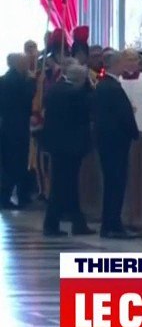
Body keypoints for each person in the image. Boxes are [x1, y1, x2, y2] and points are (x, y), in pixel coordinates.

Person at [40, 62, 94, 236]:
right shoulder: (76, 93)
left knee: (66, 185)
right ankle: (52, 224)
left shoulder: (55, 89)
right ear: (80, 78)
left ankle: (77, 222)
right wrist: (90, 88)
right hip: (71, 146)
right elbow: (87, 111)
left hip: (57, 144)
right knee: (63, 185)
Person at [93, 51, 140, 239]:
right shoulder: (112, 87)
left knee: (113, 183)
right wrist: (134, 133)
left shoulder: (103, 85)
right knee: (116, 184)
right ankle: (113, 224)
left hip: (107, 142)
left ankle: (109, 223)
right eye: (122, 63)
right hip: (115, 143)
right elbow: (123, 115)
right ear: (115, 65)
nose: (125, 66)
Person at [0, 53, 36, 209]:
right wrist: (33, 82)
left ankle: (12, 195)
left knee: (11, 162)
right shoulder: (16, 81)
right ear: (17, 64)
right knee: (15, 162)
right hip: (16, 127)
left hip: (8, 126)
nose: (28, 65)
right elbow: (26, 98)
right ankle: (10, 196)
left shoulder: (5, 80)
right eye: (25, 63)